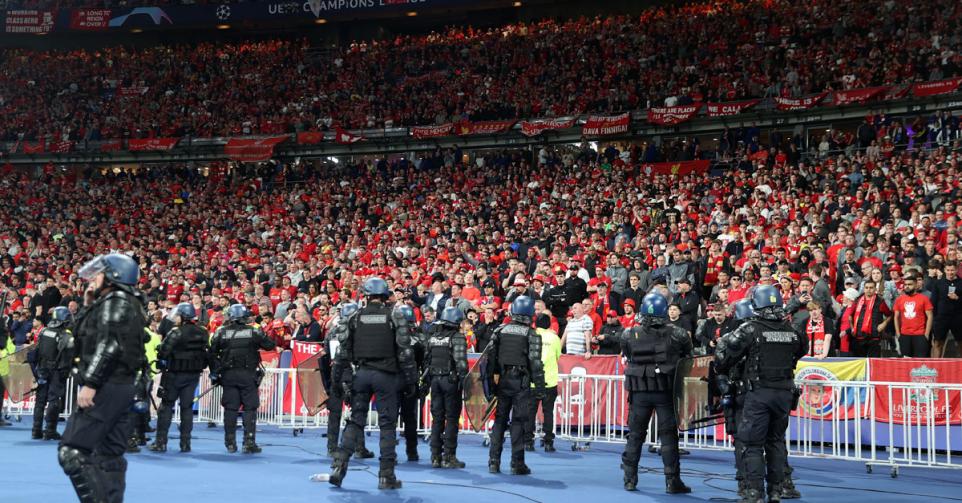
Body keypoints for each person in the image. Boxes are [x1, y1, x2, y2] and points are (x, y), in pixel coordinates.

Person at [58, 253, 149, 503]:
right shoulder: (127, 302)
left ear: (113, 276)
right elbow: (90, 335)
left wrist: (91, 383)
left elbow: (109, 345)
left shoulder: (115, 301)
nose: (94, 278)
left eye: (100, 273)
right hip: (121, 385)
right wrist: (88, 305)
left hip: (107, 384)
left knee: (72, 451)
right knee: (109, 455)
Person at [715, 285, 807, 503]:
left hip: (759, 393)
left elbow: (725, 359)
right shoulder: (792, 331)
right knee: (775, 442)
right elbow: (800, 352)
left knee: (752, 444)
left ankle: (755, 493)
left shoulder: (750, 329)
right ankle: (776, 491)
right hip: (784, 393)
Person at [329, 277, 419, 490]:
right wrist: (411, 381)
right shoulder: (394, 316)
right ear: (385, 296)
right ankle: (386, 476)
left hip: (361, 374)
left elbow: (342, 353)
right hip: (386, 376)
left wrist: (336, 381)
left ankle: (338, 467)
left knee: (355, 421)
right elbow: (406, 353)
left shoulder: (354, 317)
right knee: (387, 424)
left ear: (366, 296)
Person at [613, 292, 692, 494]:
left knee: (635, 435)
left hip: (640, 391)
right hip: (665, 391)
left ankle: (629, 479)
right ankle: (672, 482)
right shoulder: (678, 333)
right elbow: (688, 359)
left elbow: (627, 354)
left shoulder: (629, 334)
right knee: (668, 436)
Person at [486, 296, 545, 475]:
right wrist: (541, 388)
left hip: (502, 381)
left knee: (500, 421)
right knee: (518, 422)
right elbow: (535, 364)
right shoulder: (531, 334)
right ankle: (517, 463)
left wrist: (490, 386)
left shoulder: (499, 330)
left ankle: (493, 462)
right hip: (521, 382)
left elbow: (489, 361)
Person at [209, 303, 276, 454]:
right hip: (248, 375)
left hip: (228, 375)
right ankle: (249, 442)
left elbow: (212, 353)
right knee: (250, 409)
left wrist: (215, 372)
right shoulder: (254, 331)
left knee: (230, 409)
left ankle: (230, 443)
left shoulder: (221, 332)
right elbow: (269, 345)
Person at [149, 302, 209, 453]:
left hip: (175, 374)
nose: (174, 318)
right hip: (193, 375)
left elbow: (163, 352)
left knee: (166, 407)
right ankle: (185, 443)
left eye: (177, 315)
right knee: (187, 408)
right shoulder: (202, 332)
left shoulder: (176, 332)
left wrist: (160, 350)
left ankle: (161, 442)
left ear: (183, 316)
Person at [322, 302, 374, 459]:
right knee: (358, 412)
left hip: (335, 375)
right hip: (353, 375)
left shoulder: (332, 332)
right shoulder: (359, 332)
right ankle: (359, 447)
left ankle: (332, 447)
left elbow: (326, 354)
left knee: (334, 413)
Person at [423, 306, 469, 468]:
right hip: (450, 381)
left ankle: (435, 456)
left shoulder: (433, 337)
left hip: (435, 381)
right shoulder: (457, 337)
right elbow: (461, 364)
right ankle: (449, 456)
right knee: (451, 419)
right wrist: (464, 383)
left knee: (437, 418)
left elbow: (426, 360)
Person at [32, 306, 73, 440]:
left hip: (42, 369)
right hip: (56, 370)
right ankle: (50, 430)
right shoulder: (65, 335)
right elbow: (67, 355)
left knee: (40, 400)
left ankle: (36, 430)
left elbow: (36, 351)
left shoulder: (43, 331)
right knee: (54, 400)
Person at [525, 313, 562, 453]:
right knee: (548, 412)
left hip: (533, 380)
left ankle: (528, 442)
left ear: (535, 323)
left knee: (530, 412)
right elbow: (558, 356)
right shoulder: (554, 338)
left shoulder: (531, 336)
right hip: (550, 381)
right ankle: (548, 443)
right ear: (549, 324)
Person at [396, 303, 424, 462]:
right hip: (410, 382)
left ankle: (388, 452)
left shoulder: (391, 338)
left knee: (390, 418)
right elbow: (421, 361)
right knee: (410, 418)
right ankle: (412, 451)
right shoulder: (418, 339)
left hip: (393, 381)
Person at [892, 274, 933, 358]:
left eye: (910, 284)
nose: (907, 286)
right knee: (906, 362)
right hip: (904, 335)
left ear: (916, 285)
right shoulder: (899, 299)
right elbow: (896, 317)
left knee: (920, 362)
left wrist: (927, 334)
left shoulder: (924, 298)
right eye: (905, 284)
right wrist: (898, 334)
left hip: (920, 335)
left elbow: (930, 316)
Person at [930, 261, 962, 358]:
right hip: (941, 318)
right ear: (944, 270)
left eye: (952, 270)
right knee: (938, 342)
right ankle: (935, 368)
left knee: (961, 343)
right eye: (948, 270)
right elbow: (933, 302)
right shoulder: (938, 283)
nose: (950, 272)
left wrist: (958, 298)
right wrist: (935, 318)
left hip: (958, 317)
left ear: (956, 270)